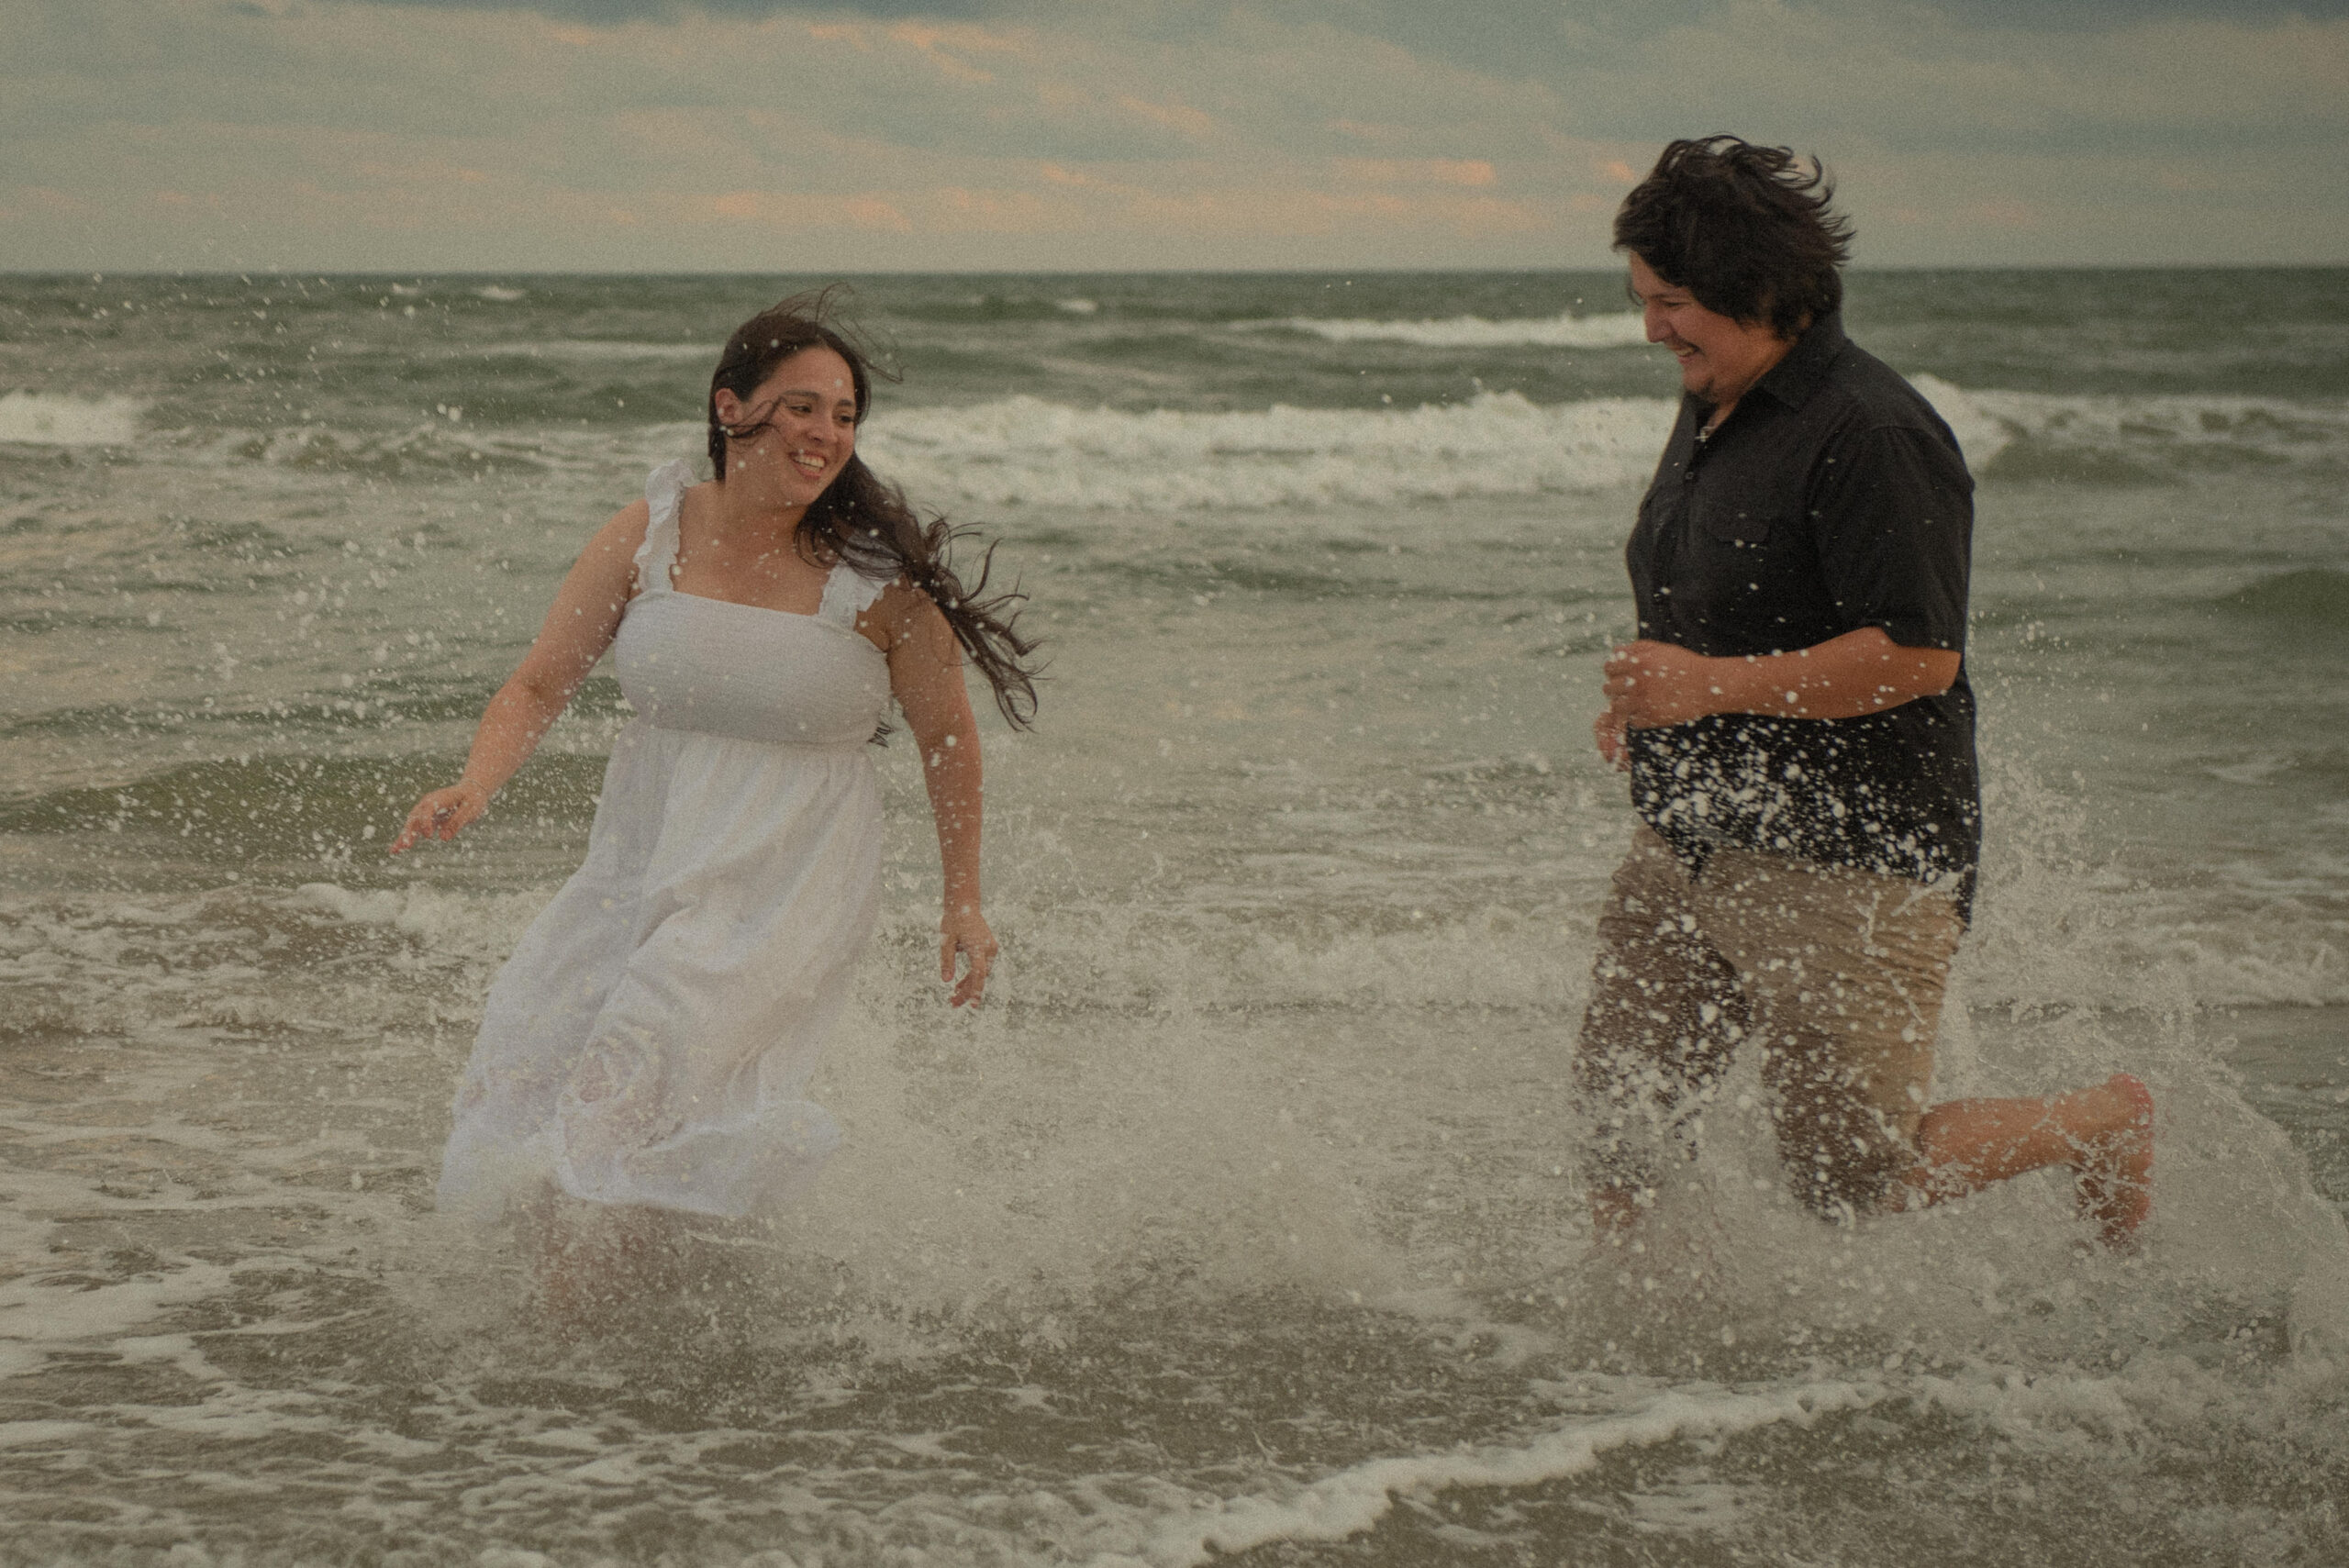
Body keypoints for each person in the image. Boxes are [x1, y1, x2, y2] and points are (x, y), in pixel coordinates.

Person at [390, 291, 1038, 1306]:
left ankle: (568, 1365)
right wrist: (475, 783)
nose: (827, 432)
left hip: (784, 880)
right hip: (638, 861)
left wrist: (963, 897)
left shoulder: (879, 581)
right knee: (539, 1058)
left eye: (844, 413)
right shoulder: (649, 532)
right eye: (802, 406)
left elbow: (948, 737)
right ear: (729, 407)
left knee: (617, 1085)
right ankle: (640, 1328)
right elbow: (540, 682)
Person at [1577, 139, 2153, 1250]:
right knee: (1623, 1125)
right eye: (1645, 299)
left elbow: (1914, 655)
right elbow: (1723, 588)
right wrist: (1649, 690)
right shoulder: (1715, 399)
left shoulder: (1875, 431)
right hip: (1688, 836)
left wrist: (1705, 685)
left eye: (1674, 302)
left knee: (1851, 1176)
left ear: (1757, 290)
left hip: (1851, 860)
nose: (1653, 326)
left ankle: (2105, 1122)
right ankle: (1608, 1383)